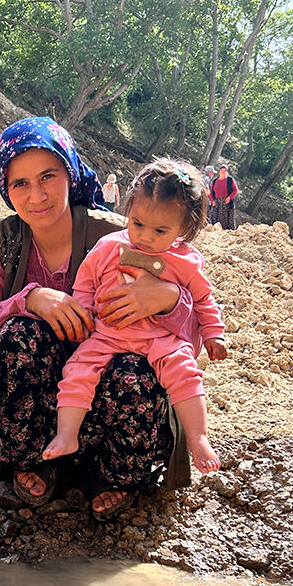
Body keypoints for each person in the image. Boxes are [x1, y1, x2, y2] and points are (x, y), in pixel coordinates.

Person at [0, 117, 196, 521]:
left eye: (48, 176)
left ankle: (110, 473)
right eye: (20, 184)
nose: (36, 196)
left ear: (70, 172)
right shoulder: (5, 241)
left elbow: (193, 339)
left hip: (109, 406)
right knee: (18, 334)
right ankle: (36, 460)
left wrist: (169, 298)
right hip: (41, 411)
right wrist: (27, 300)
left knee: (134, 367)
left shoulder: (123, 237)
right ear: (5, 189)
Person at [43, 158, 227, 473]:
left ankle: (198, 438)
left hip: (162, 339)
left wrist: (214, 334)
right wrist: (84, 315)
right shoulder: (107, 247)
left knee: (185, 374)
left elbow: (203, 299)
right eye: (138, 223)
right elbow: (85, 284)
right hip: (107, 334)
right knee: (77, 371)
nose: (145, 236)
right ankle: (67, 434)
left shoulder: (185, 260)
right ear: (129, 212)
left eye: (160, 230)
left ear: (183, 229)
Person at [211, 164, 238, 229]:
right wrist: (212, 201)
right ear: (219, 171)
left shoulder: (230, 180)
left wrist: (229, 198)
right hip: (217, 201)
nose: (223, 172)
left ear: (227, 171)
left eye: (224, 170)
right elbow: (211, 192)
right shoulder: (215, 181)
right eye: (221, 170)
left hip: (226, 201)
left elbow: (235, 190)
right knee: (213, 217)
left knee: (226, 219)